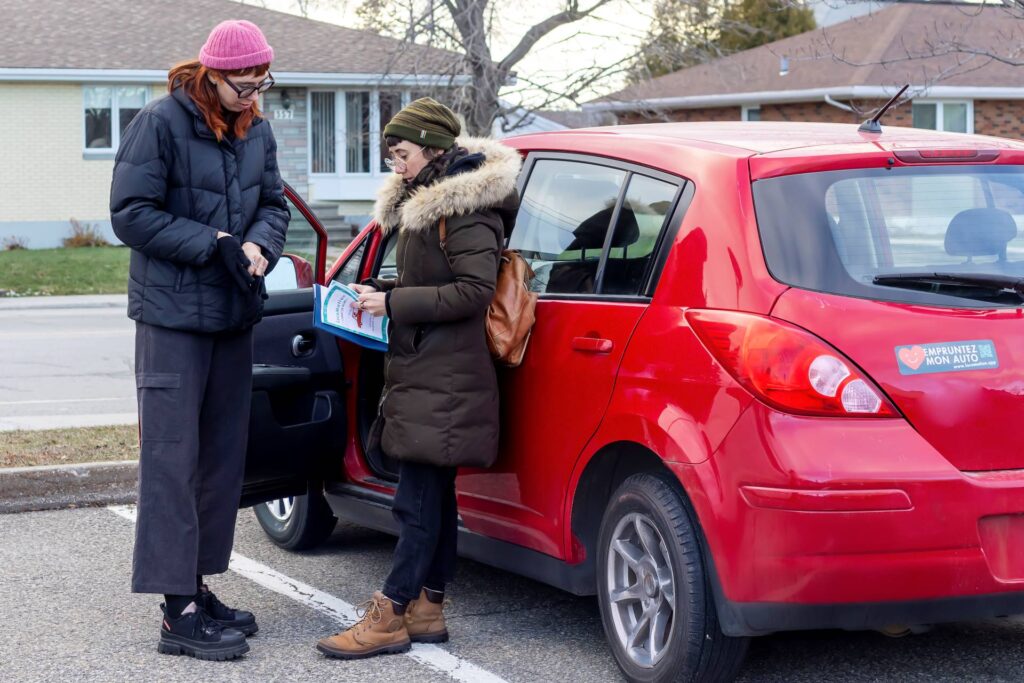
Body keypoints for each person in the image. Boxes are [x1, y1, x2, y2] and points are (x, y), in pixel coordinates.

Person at [315, 98, 521, 660]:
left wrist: (393, 303)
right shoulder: (427, 203)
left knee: (416, 502)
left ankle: (389, 615)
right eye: (391, 155)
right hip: (429, 370)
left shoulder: (464, 208)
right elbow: (435, 279)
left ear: (432, 149)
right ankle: (428, 608)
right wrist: (382, 289)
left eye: (401, 153)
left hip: (447, 377)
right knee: (434, 498)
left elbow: (474, 291)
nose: (395, 163)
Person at [109, 19, 289, 661]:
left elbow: (274, 204)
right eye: (243, 84)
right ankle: (175, 613)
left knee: (219, 461)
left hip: (232, 315)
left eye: (261, 82)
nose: (253, 94)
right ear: (212, 75)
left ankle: (197, 586)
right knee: (171, 460)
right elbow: (130, 214)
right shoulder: (159, 123)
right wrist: (214, 244)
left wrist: (260, 246)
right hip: (171, 320)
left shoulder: (257, 129)